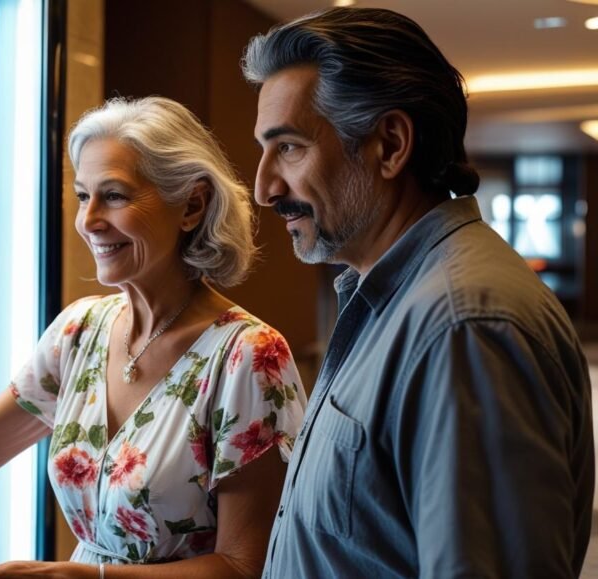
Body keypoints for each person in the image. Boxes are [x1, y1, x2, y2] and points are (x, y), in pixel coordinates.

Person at [0, 96, 308, 576]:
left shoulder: (248, 357)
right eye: (83, 195)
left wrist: (68, 575)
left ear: (192, 205)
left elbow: (244, 568)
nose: (89, 220)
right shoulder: (79, 331)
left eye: (114, 196)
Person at [242, 7, 594, 578]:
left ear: (389, 144)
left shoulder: (462, 327)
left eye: (289, 148)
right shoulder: (394, 299)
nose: (263, 187)